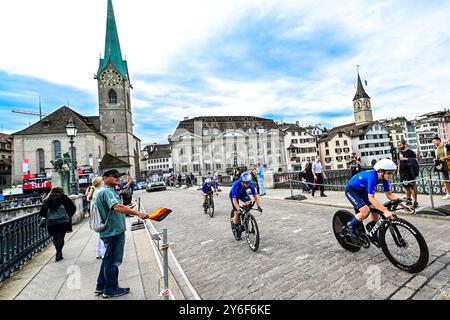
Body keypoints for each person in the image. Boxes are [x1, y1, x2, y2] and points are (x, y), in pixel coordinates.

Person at [95, 169, 149, 298]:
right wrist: (138, 213)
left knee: (107, 260)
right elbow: (117, 207)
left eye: (118, 176)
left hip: (110, 230)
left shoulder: (104, 190)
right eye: (115, 176)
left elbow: (115, 207)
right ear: (106, 178)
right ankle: (111, 289)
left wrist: (128, 209)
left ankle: (101, 286)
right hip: (113, 231)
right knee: (112, 261)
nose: (118, 178)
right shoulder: (107, 191)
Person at [344, 159, 399, 239]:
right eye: (388, 173)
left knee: (374, 210)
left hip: (363, 190)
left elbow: (389, 195)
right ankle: (350, 225)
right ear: (380, 171)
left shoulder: (383, 178)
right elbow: (371, 198)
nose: (390, 175)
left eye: (392, 173)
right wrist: (386, 211)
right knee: (365, 211)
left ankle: (372, 230)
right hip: (351, 190)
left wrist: (403, 204)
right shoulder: (372, 177)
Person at [39, 187, 76, 262]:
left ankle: (58, 251)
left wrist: (47, 217)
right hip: (63, 222)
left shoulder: (47, 200)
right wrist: (68, 216)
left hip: (51, 223)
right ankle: (59, 252)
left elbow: (42, 212)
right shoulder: (64, 198)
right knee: (60, 236)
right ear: (61, 191)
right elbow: (73, 208)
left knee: (55, 237)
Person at [229, 172, 262, 241]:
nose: (248, 185)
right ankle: (236, 230)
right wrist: (238, 209)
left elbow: (255, 196)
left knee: (249, 203)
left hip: (242, 193)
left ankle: (245, 216)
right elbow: (234, 200)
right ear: (242, 181)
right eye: (246, 183)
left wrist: (259, 206)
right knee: (236, 212)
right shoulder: (236, 185)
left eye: (249, 183)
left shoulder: (250, 184)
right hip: (234, 196)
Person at [87, 177, 106, 259]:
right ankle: (103, 253)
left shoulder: (94, 192)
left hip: (95, 218)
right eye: (102, 181)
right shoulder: (98, 192)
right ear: (100, 183)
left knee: (100, 236)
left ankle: (98, 252)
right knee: (103, 235)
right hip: (100, 217)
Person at [397, 140, 419, 208]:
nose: (399, 146)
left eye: (400, 145)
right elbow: (399, 162)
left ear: (404, 144)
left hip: (410, 171)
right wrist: (398, 171)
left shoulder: (411, 152)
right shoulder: (400, 152)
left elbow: (416, 159)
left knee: (412, 187)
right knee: (406, 187)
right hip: (402, 172)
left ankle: (415, 202)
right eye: (398, 145)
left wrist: (406, 159)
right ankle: (408, 201)